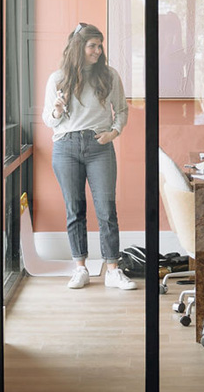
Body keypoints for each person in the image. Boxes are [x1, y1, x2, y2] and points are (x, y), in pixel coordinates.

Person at [42, 22, 137, 291]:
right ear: (78, 48)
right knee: (75, 210)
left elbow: (121, 110)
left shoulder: (109, 75)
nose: (98, 50)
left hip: (99, 146)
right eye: (92, 45)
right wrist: (58, 111)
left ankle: (113, 270)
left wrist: (113, 133)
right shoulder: (58, 79)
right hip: (66, 147)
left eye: (100, 45)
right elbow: (48, 120)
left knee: (107, 210)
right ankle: (80, 268)